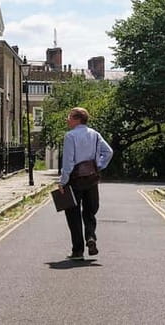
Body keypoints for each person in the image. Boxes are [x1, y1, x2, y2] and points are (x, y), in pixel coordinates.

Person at [59, 107, 113, 260]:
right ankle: (90, 237)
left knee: (73, 214)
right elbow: (108, 152)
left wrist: (62, 181)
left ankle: (77, 251)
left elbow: (68, 162)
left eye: (69, 117)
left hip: (74, 180)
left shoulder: (70, 136)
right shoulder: (95, 134)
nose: (67, 120)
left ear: (77, 119)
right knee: (90, 211)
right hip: (91, 179)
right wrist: (99, 165)